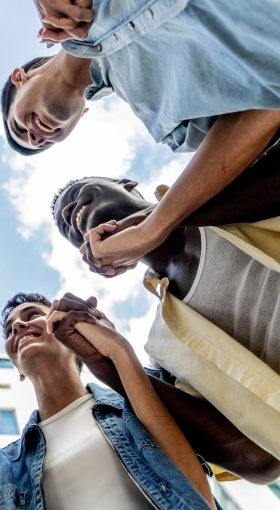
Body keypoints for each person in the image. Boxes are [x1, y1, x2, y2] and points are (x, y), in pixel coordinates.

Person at [2, 0, 280, 271]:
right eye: (40, 144)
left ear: (20, 78)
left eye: (19, 126)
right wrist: (151, 228)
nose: (35, 137)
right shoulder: (170, 125)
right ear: (79, 119)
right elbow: (270, 103)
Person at [52, 170, 280, 457]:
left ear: (128, 186)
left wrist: (152, 223)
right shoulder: (164, 347)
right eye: (65, 227)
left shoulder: (224, 180)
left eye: (75, 195)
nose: (70, 213)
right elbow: (257, 458)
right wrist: (106, 362)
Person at [0, 292, 220, 509]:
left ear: (65, 331)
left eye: (32, 315)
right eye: (9, 330)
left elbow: (198, 497)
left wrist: (118, 349)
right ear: (16, 367)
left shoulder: (137, 400)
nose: (18, 326)